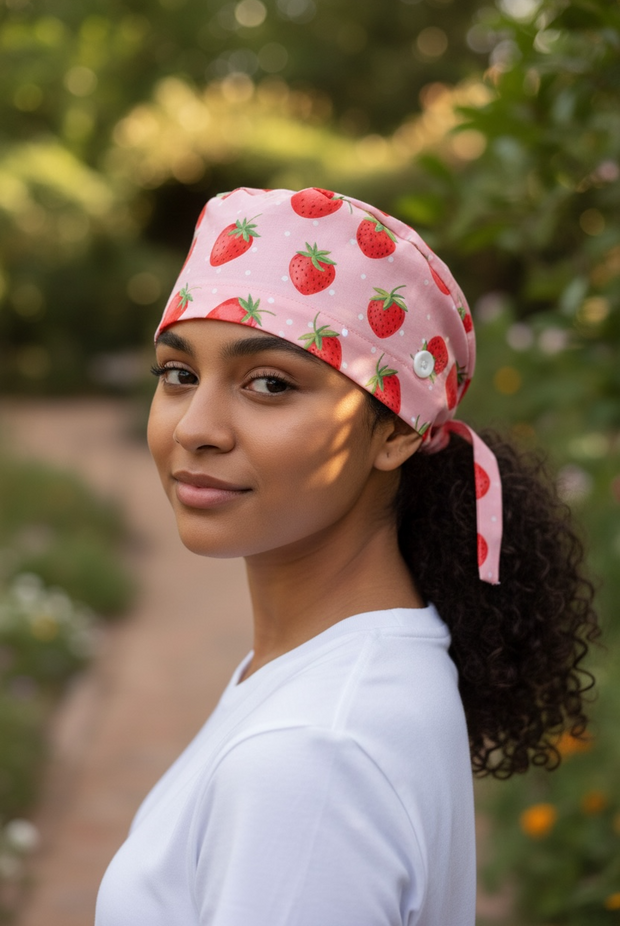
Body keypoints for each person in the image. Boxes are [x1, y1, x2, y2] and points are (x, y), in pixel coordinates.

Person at [95, 186, 598, 926]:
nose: (195, 428)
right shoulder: (352, 672)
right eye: (178, 375)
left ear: (395, 432)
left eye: (269, 383)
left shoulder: (312, 756)